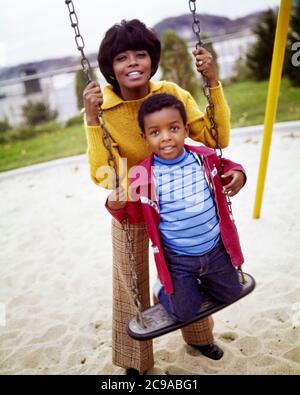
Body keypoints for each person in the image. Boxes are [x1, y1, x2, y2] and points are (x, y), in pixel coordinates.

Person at [83, 18, 238, 375]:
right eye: (122, 58)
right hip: (134, 207)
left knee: (193, 264)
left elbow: (216, 138)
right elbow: (103, 175)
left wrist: (212, 82)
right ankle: (134, 360)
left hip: (178, 205)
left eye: (141, 54)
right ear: (110, 67)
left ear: (152, 60)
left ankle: (199, 337)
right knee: (129, 280)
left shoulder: (170, 94)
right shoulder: (103, 109)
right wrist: (92, 120)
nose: (133, 63)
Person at [106, 94, 246, 339]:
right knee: (185, 312)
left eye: (173, 128)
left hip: (214, 250)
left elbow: (227, 167)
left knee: (233, 292)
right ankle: (165, 289)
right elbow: (134, 214)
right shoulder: (143, 175)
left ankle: (200, 284)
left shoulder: (203, 157)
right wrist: (115, 204)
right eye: (155, 132)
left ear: (185, 129)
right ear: (145, 138)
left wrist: (238, 173)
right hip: (178, 259)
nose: (166, 137)